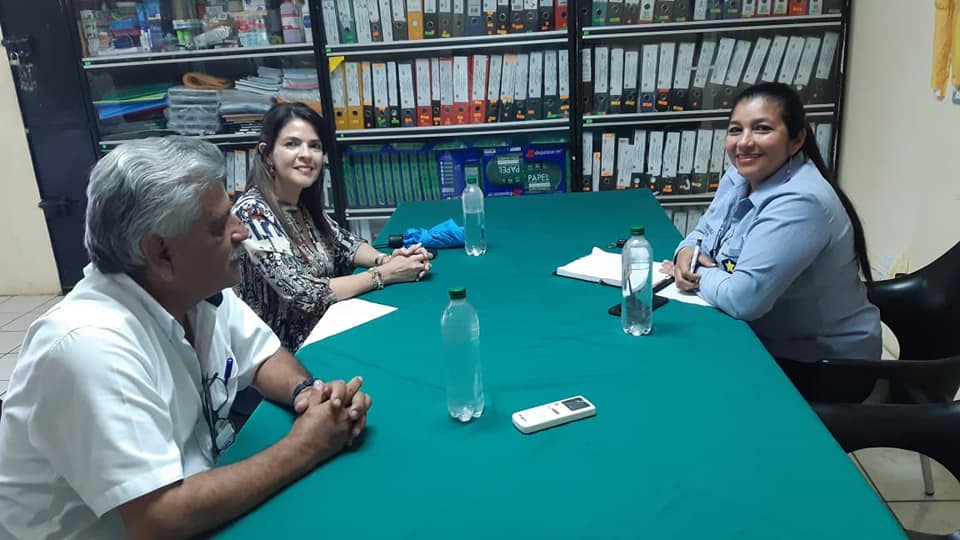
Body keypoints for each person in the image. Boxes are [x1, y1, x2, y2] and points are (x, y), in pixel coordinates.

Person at [0, 137, 372, 539]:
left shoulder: (193, 289)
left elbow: (264, 357)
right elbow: (159, 518)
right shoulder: (90, 346)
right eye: (219, 226)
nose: (241, 231)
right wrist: (306, 445)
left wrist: (307, 393)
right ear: (160, 253)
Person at [662, 82, 881, 371]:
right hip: (764, 340)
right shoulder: (739, 176)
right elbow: (703, 233)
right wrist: (685, 251)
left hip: (822, 366)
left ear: (796, 140)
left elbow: (743, 300)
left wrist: (694, 272)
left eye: (762, 129)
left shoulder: (801, 202)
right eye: (735, 130)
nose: (744, 142)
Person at [233, 102, 434, 352]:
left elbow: (345, 244)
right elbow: (305, 294)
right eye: (292, 144)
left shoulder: (300, 204)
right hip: (283, 355)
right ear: (267, 154)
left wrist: (387, 259)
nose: (306, 154)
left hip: (327, 330)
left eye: (314, 146)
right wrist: (385, 274)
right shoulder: (252, 212)